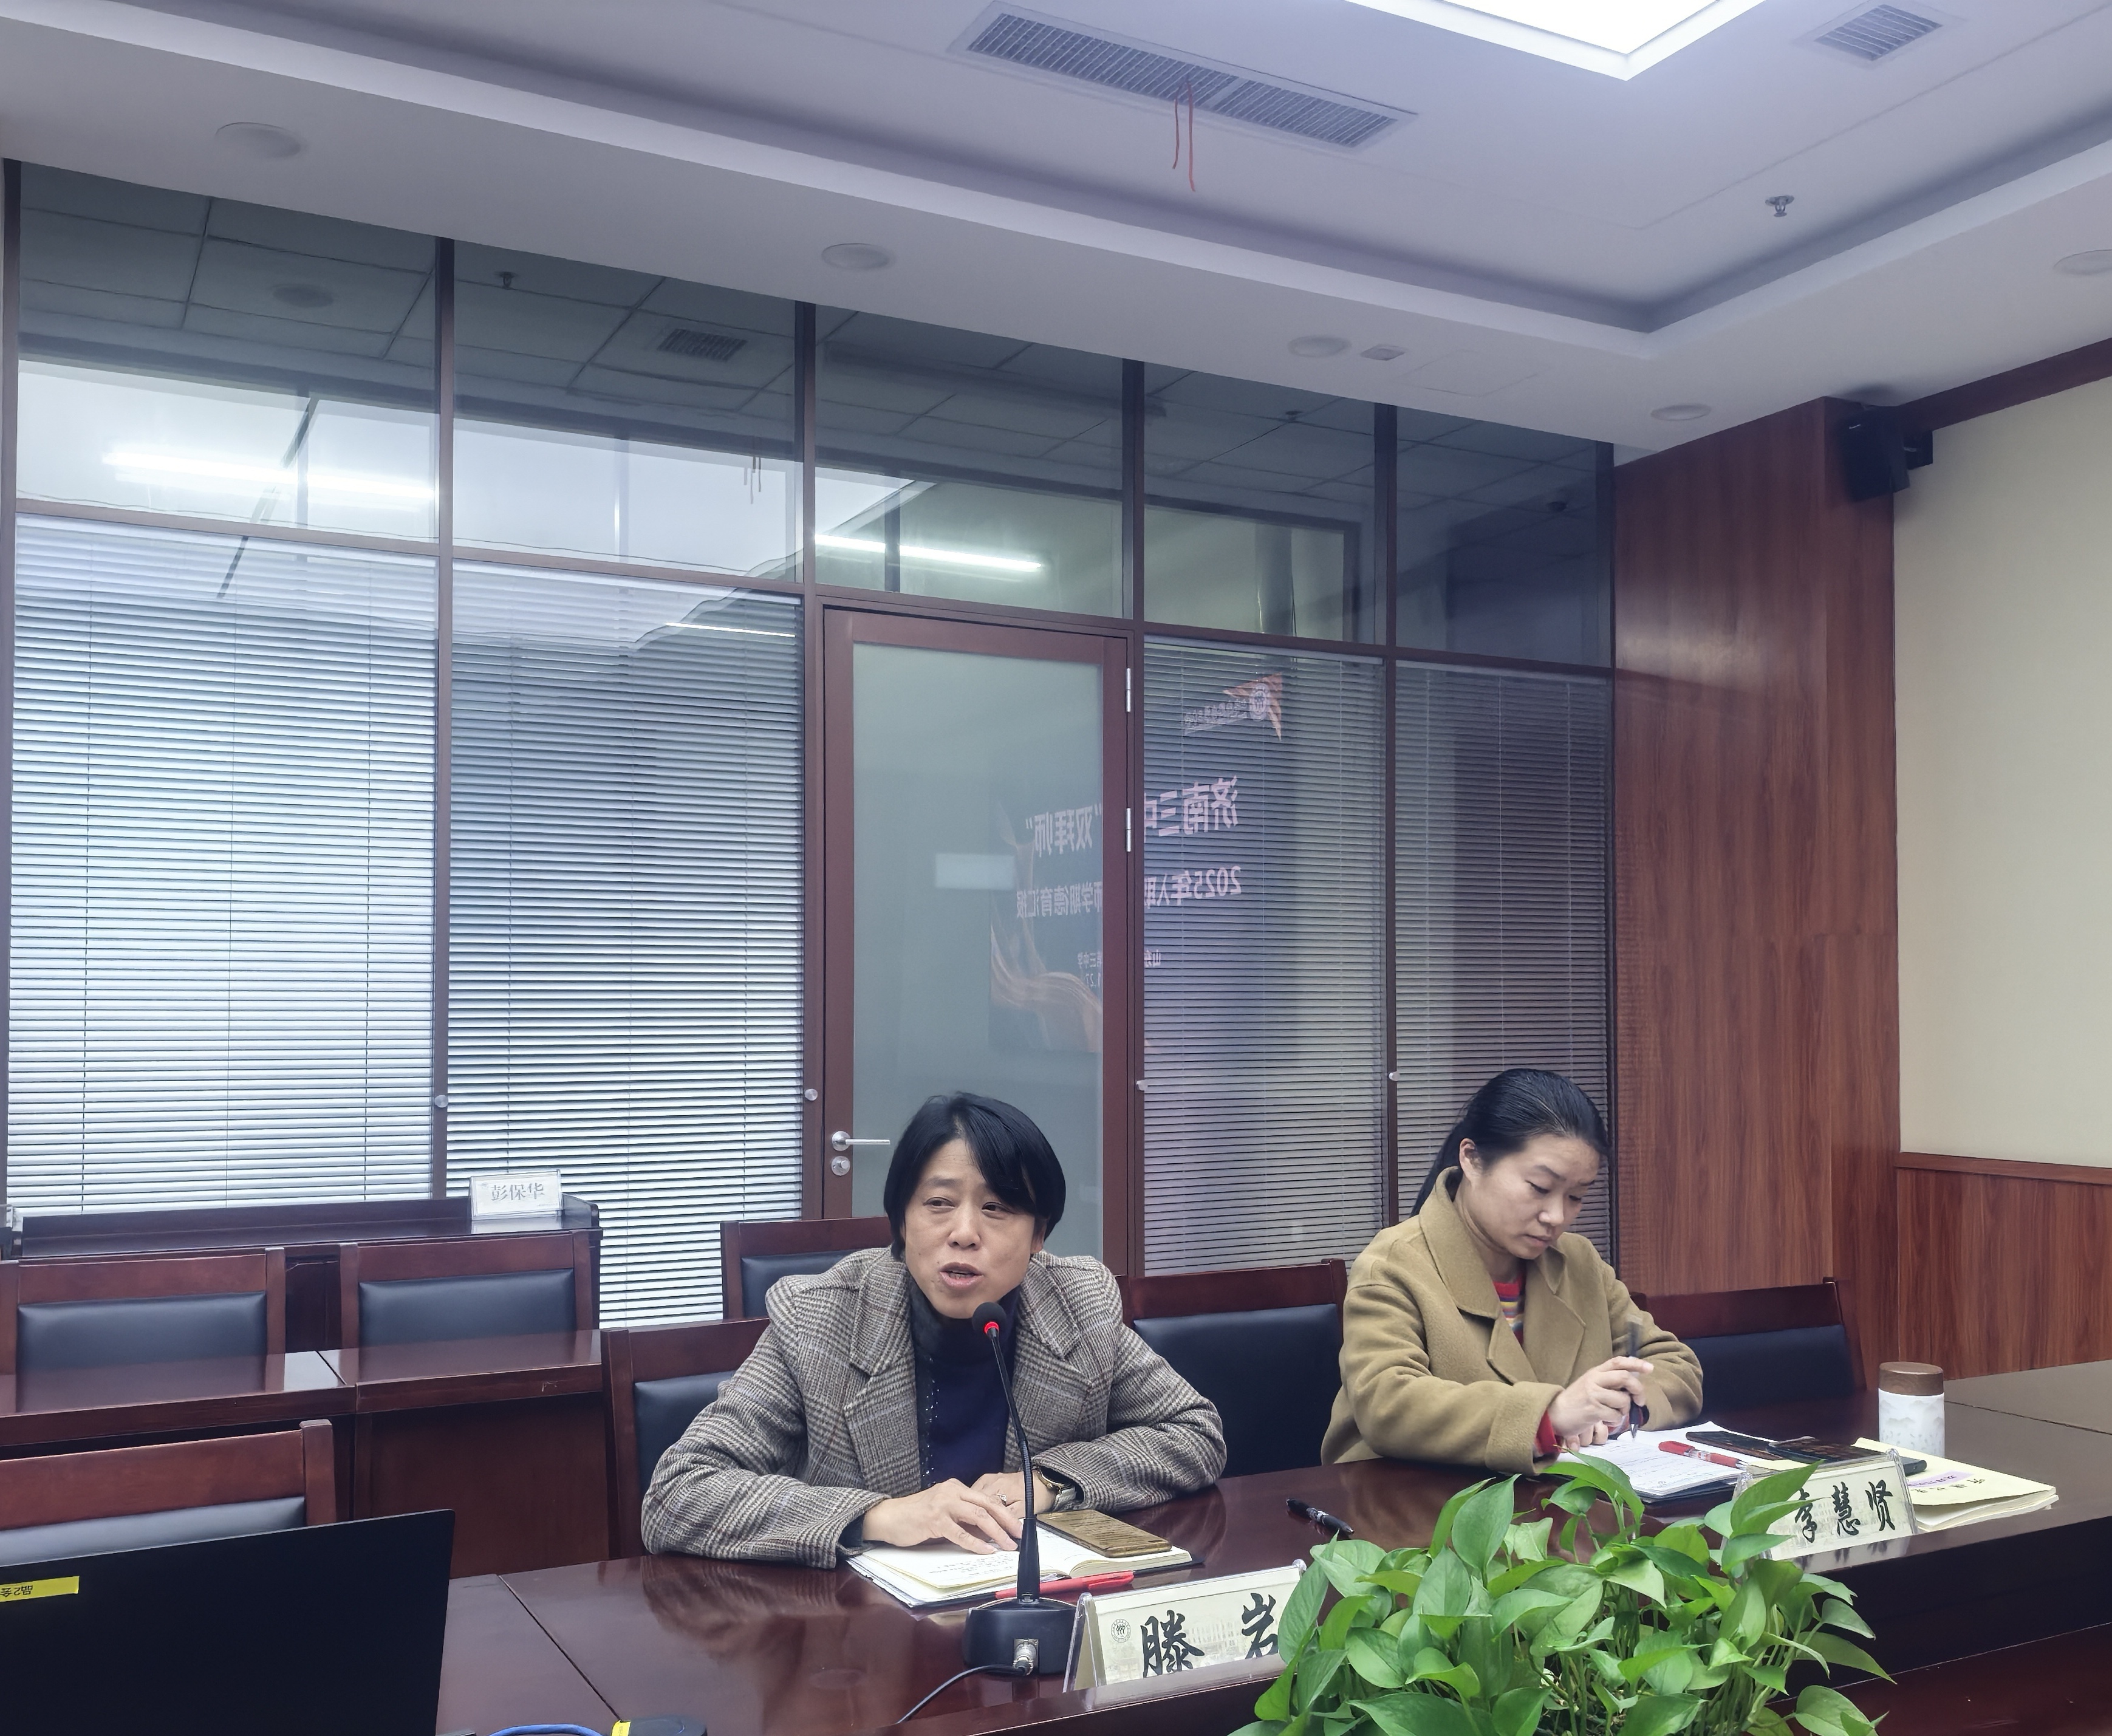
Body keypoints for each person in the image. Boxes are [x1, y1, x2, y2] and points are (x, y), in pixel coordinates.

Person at [642, 1092, 1226, 1564]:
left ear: (1039, 1235)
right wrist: (878, 1516)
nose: (964, 1233)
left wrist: (1049, 1482)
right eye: (938, 1204)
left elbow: (1193, 1432)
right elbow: (678, 1492)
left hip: (1035, 1616)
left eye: (997, 1209)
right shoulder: (818, 1321)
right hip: (860, 1643)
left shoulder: (1077, 1303)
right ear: (901, 1221)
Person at [1324, 1068, 1701, 1474]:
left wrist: (1619, 1409)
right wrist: (1550, 1414)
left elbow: (1674, 1365)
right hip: (1412, 1501)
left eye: (1576, 1196)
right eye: (1539, 1187)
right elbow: (1387, 1402)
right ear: (1471, 1160)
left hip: (1560, 1501)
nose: (1556, 1216)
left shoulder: (1579, 1262)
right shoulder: (1393, 1264)